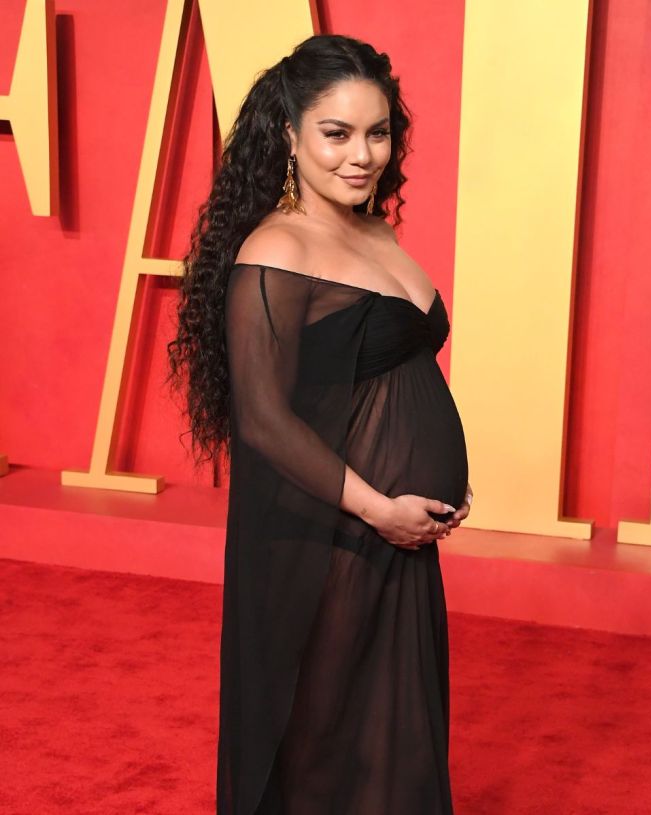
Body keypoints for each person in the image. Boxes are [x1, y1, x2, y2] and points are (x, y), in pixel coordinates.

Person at [167, 32, 473, 815]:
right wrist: (382, 507)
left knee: (387, 726)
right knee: (324, 733)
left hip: (397, 526)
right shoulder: (276, 249)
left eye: (378, 131)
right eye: (337, 133)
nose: (362, 154)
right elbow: (263, 419)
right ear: (290, 134)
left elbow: (391, 375)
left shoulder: (374, 230)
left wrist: (440, 484)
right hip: (329, 533)